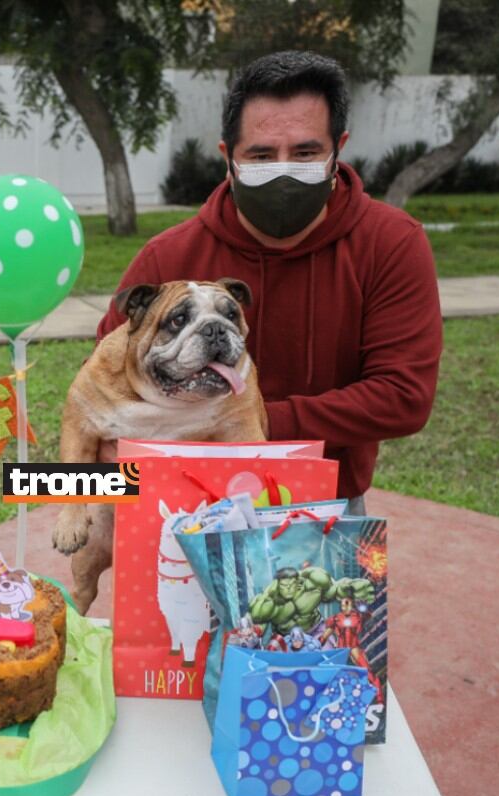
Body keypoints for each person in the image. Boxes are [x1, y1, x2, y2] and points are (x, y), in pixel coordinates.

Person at [96, 51, 443, 512]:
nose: (282, 170)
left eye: (304, 152)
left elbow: (403, 397)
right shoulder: (168, 256)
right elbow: (103, 378)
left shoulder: (392, 243)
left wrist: (245, 420)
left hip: (324, 506)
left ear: (338, 148)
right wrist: (78, 480)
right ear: (229, 158)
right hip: (178, 502)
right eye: (261, 155)